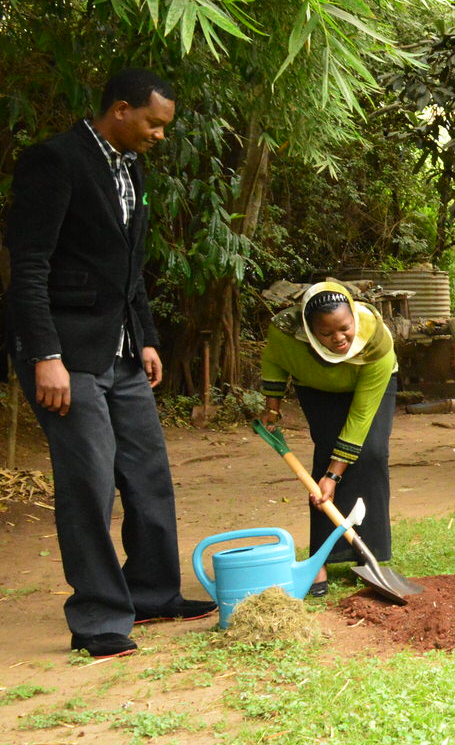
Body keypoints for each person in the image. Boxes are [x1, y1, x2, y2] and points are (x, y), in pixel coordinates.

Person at [4, 68, 214, 657]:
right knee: (89, 483)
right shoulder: (55, 161)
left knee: (148, 473)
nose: (159, 136)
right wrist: (45, 354)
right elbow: (29, 267)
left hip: (120, 350)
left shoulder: (131, 167)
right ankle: (97, 618)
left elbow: (127, 266)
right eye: (153, 123)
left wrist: (145, 337)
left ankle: (151, 594)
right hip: (66, 355)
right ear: (120, 110)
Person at [261, 280, 398, 589]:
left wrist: (334, 477)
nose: (339, 338)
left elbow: (361, 418)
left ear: (353, 316)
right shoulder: (285, 333)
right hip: (316, 387)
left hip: (370, 384)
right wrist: (272, 407)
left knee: (370, 453)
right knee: (327, 454)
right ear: (309, 331)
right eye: (326, 333)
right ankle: (320, 558)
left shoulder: (377, 341)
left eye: (345, 328)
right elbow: (274, 360)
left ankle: (368, 554)